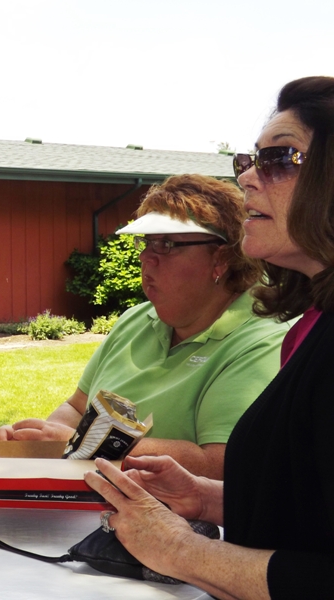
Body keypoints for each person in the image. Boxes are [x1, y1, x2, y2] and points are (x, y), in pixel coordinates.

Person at [86, 76, 334, 598]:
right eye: (251, 159)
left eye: (280, 157)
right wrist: (206, 499)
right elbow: (312, 507)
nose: (246, 177)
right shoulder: (313, 325)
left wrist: (179, 549)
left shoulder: (266, 337)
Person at [0, 174, 289, 479]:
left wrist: (85, 444)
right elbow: (76, 408)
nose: (146, 257)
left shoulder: (262, 341)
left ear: (221, 258)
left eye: (167, 245)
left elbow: (222, 463)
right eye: (147, 242)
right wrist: (39, 438)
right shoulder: (136, 319)